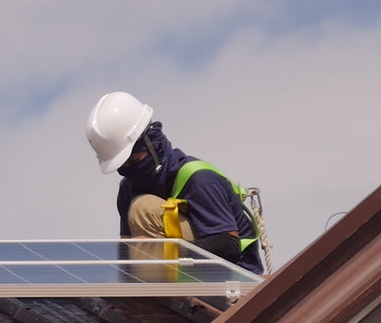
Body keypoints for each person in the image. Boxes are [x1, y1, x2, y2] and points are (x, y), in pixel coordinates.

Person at [85, 91, 263, 274]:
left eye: (135, 160)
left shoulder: (199, 179)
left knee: (142, 208)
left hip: (233, 274)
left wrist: (161, 254)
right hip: (177, 273)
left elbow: (228, 246)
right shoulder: (127, 190)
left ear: (152, 143)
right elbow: (129, 255)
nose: (130, 170)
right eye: (123, 165)